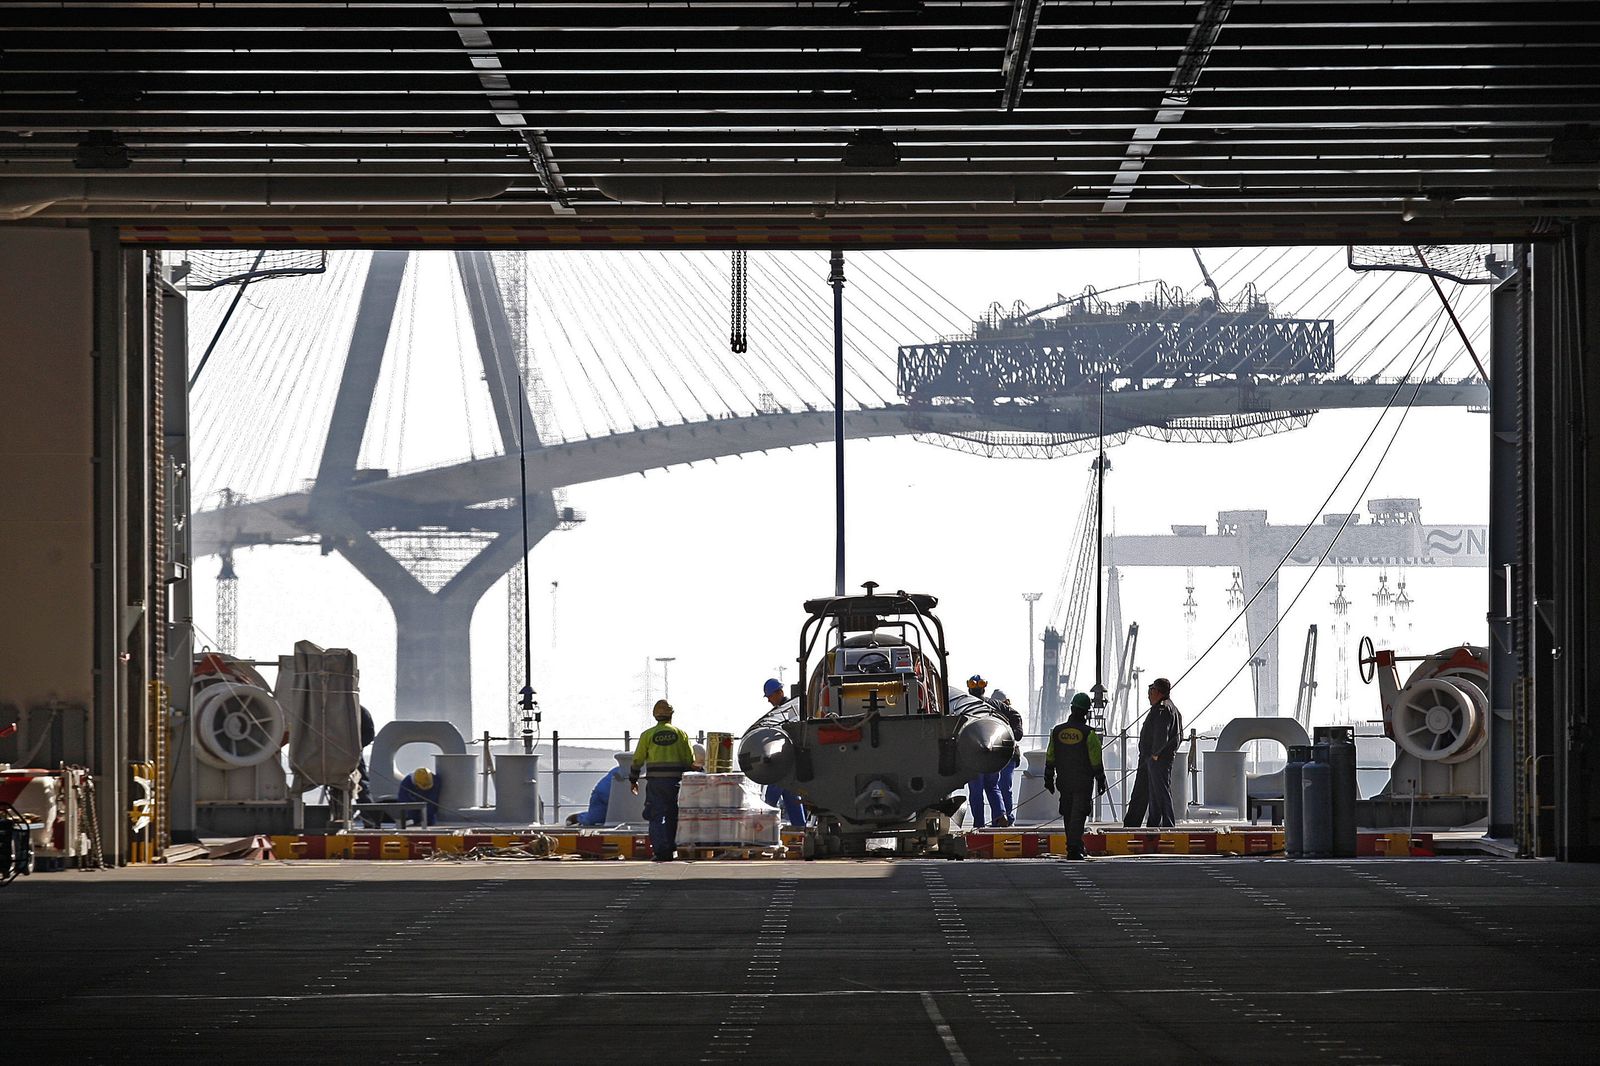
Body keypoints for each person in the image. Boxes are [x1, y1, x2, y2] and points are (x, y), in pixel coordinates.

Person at [629, 699, 697, 862]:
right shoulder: (681, 734)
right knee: (673, 815)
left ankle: (661, 852)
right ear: (671, 715)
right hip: (675, 783)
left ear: (655, 715)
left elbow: (637, 759)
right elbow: (690, 760)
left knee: (656, 816)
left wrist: (633, 779)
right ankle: (672, 848)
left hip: (655, 783)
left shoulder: (647, 735)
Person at [1044, 692, 1110, 859]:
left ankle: (1073, 845)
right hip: (1083, 781)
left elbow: (1050, 755)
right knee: (1079, 814)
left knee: (1068, 812)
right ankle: (1074, 848)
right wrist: (1101, 779)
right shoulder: (1089, 733)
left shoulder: (1057, 731)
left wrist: (1048, 777)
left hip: (1064, 780)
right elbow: (1095, 758)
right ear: (1086, 712)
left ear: (1072, 708)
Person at [1123, 677, 1184, 828]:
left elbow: (1162, 733)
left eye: (1151, 690)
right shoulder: (1172, 709)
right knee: (1145, 792)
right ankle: (1139, 824)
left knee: (1160, 792)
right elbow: (1180, 736)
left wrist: (1155, 754)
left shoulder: (1163, 709)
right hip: (1152, 758)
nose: (1149, 694)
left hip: (1156, 759)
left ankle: (1167, 825)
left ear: (1158, 692)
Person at [758, 678, 807, 826]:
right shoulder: (780, 713)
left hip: (784, 764)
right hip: (787, 765)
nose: (769, 700)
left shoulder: (791, 711)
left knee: (770, 801)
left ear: (779, 692)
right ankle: (801, 830)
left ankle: (762, 828)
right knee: (792, 799)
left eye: (770, 696)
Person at [963, 674, 1007, 828]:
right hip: (993, 753)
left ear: (969, 688)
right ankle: (1000, 815)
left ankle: (979, 824)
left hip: (974, 754)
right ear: (984, 688)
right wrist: (1015, 733)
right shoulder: (994, 704)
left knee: (976, 791)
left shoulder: (965, 706)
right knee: (993, 787)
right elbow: (1014, 715)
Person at [990, 689, 1024, 826]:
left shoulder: (1011, 715)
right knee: (997, 788)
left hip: (1008, 755)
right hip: (995, 755)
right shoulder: (990, 715)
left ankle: (1006, 818)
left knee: (1003, 787)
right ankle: (999, 818)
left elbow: (1018, 734)